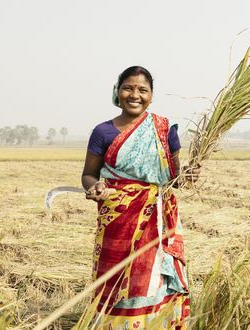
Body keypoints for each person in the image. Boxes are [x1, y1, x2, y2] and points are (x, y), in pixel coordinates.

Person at [81, 66, 199, 329]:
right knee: (114, 280)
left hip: (157, 223)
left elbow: (175, 179)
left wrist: (189, 175)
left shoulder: (164, 130)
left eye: (142, 90)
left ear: (151, 95)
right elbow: (88, 174)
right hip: (117, 220)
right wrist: (95, 187)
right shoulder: (103, 132)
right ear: (118, 91)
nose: (135, 95)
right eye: (128, 88)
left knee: (154, 277)